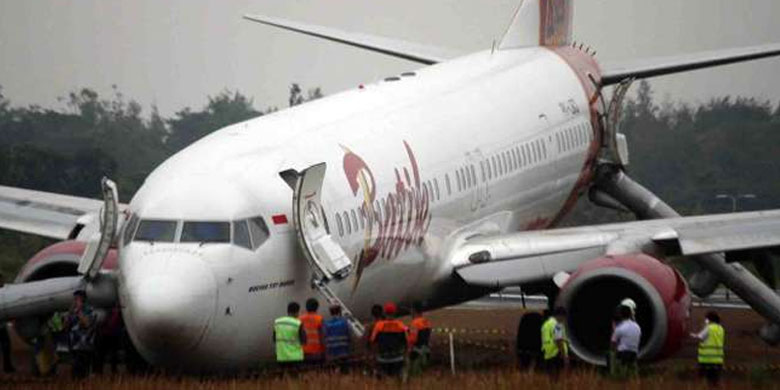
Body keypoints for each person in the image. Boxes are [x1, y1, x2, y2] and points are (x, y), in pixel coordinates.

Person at [370, 302, 409, 378]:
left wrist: (375, 357)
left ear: (385, 312)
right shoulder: (401, 325)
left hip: (382, 359)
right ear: (394, 312)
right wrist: (404, 355)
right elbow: (407, 341)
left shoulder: (379, 325)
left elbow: (372, 341)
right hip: (398, 359)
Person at [64, 289, 97, 379]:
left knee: (83, 370)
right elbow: (66, 327)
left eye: (77, 299)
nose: (75, 301)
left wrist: (79, 312)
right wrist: (68, 315)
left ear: (83, 299)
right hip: (74, 344)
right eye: (74, 299)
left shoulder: (90, 310)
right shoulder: (73, 311)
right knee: (74, 370)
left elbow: (88, 323)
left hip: (85, 344)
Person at [691, 311, 725, 386]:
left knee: (702, 381)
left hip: (706, 359)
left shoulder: (709, 328)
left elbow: (700, 337)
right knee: (714, 382)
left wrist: (691, 335)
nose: (705, 320)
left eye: (706, 318)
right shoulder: (720, 329)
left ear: (709, 319)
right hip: (718, 360)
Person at [610, 304, 641, 378]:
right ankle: (634, 375)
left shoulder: (620, 328)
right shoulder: (637, 326)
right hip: (634, 353)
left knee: (611, 354)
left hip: (623, 354)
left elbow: (613, 343)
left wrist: (614, 328)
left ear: (620, 315)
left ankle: (615, 375)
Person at [274, 302, 307, 368]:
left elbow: (274, 339)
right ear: (297, 312)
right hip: (296, 357)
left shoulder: (277, 322)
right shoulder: (298, 323)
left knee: (285, 377)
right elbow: (304, 340)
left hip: (281, 357)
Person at [541, 307, 568, 376]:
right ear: (560, 315)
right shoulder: (557, 325)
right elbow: (558, 340)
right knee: (556, 377)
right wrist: (564, 356)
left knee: (549, 377)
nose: (563, 320)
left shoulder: (546, 324)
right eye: (563, 317)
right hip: (556, 354)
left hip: (547, 354)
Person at [323, 305, 351, 370]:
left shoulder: (326, 324)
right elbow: (350, 335)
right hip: (343, 351)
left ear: (330, 313)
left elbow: (324, 336)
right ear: (339, 312)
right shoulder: (345, 322)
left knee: (333, 370)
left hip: (332, 351)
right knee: (344, 369)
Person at [407, 302, 432, 376]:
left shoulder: (415, 323)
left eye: (411, 310)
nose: (410, 312)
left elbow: (412, 340)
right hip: (426, 351)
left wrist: (408, 351)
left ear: (414, 310)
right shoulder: (427, 322)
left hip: (417, 353)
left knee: (414, 375)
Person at [299, 298, 325, 364]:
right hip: (317, 351)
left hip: (304, 351)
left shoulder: (300, 319)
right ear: (317, 307)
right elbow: (323, 336)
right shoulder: (319, 319)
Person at [0, 274, 15, 373]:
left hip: (2, 325)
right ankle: (7, 367)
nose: (3, 282)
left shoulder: (3, 292)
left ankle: (7, 366)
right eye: (1, 280)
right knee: (6, 345)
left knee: (7, 346)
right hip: (1, 327)